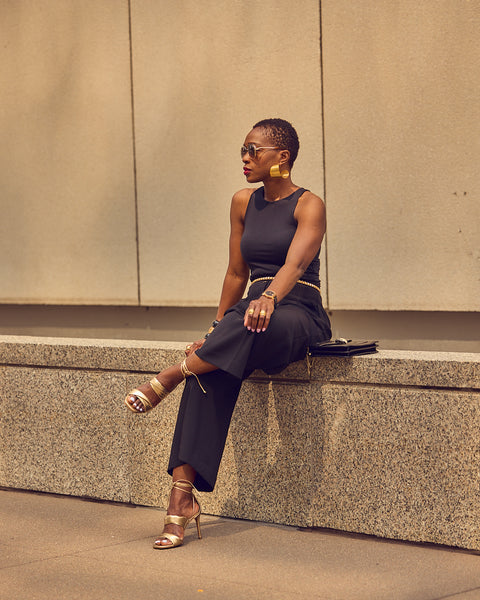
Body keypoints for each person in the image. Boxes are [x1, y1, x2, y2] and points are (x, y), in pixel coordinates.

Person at [125, 118, 331, 549]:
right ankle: (181, 498)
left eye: (254, 150)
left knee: (249, 324)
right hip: (248, 315)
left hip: (296, 310)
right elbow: (237, 272)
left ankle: (171, 374)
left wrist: (270, 298)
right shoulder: (242, 202)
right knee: (212, 368)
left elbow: (294, 265)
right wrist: (216, 328)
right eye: (243, 149)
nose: (245, 158)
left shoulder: (308, 204)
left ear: (283, 157)